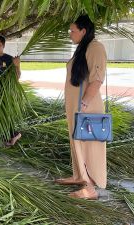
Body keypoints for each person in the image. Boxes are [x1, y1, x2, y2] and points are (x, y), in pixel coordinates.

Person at [55, 15, 107, 200]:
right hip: (76, 108)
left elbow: (97, 79)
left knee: (88, 146)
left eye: (73, 31)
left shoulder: (95, 47)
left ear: (83, 31)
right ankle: (79, 176)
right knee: (76, 143)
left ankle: (90, 188)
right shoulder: (82, 48)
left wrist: (84, 104)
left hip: (87, 107)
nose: (70, 34)